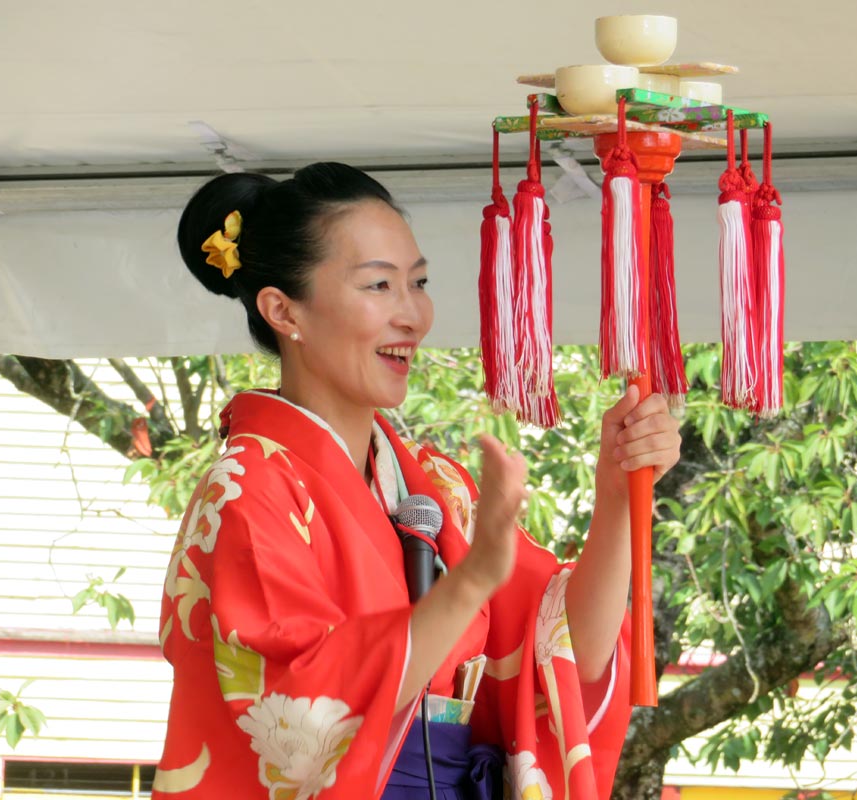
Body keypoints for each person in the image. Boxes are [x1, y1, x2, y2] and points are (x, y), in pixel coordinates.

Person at [151, 163, 682, 799]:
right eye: (380, 285)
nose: (414, 316)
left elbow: (564, 658)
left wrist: (618, 494)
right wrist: (470, 584)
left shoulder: (435, 489)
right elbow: (299, 719)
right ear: (282, 310)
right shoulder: (247, 490)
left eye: (419, 283)